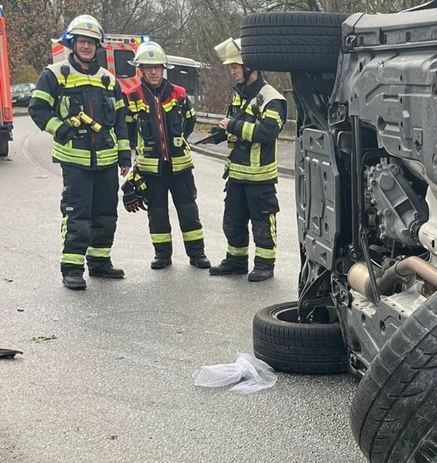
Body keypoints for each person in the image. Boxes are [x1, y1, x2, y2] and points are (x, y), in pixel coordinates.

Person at [29, 15, 131, 290]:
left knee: (106, 215)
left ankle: (99, 263)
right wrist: (61, 130)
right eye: (82, 41)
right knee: (77, 216)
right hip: (75, 162)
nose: (86, 46)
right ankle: (72, 269)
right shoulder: (54, 74)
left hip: (108, 161)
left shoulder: (109, 80)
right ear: (73, 43)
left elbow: (120, 121)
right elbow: (38, 109)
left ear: (98, 46)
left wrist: (124, 156)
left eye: (91, 42)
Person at [123, 41, 211, 270]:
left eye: (157, 67)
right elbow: (128, 131)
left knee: (189, 211)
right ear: (140, 69)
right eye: (148, 67)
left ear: (164, 69)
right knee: (157, 213)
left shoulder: (179, 94)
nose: (153, 72)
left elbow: (189, 122)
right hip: (151, 169)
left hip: (180, 167)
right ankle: (162, 255)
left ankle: (197, 254)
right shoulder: (131, 96)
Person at [209, 37, 286, 282]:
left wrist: (233, 125)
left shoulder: (272, 98)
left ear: (250, 66)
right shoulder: (239, 95)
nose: (232, 71)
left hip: (260, 178)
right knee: (233, 221)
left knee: (262, 223)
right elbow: (237, 124)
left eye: (235, 66)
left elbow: (267, 132)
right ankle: (236, 261)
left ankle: (264, 265)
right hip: (236, 175)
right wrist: (221, 133)